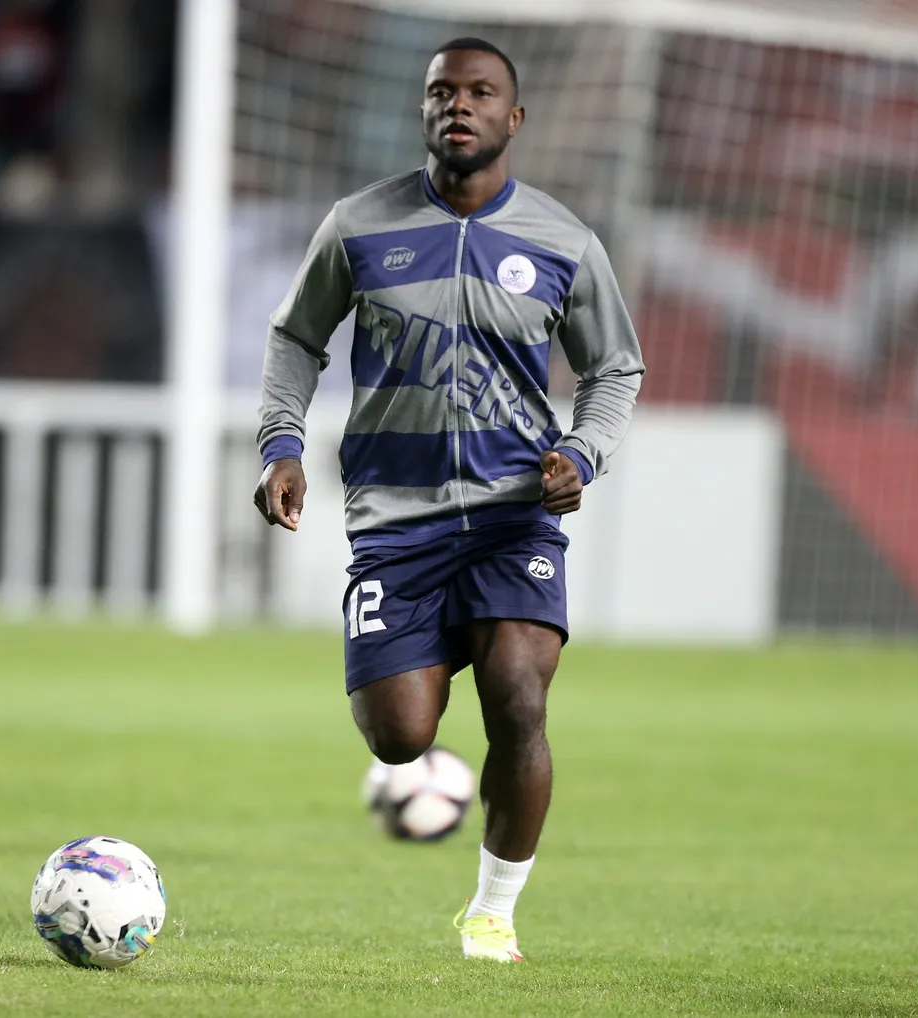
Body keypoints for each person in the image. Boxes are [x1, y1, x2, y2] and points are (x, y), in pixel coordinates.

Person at [254, 37, 644, 962]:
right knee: (399, 738)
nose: (457, 106)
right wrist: (281, 446)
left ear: (514, 118)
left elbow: (614, 365)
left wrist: (582, 455)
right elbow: (293, 340)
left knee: (518, 697)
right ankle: (434, 699)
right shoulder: (357, 226)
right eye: (441, 92)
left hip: (516, 518)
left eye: (479, 93)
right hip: (396, 522)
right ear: (421, 110)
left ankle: (492, 914)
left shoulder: (562, 240)